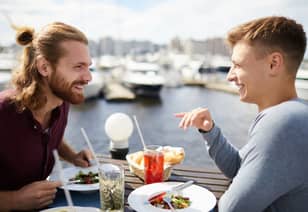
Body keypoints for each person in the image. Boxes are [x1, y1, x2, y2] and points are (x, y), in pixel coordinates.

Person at [175, 16, 308, 212]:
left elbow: (231, 209)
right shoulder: (295, 112)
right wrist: (209, 130)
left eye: (237, 65)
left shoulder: (283, 122)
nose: (229, 76)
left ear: (274, 63)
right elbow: (239, 168)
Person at [0, 22, 94, 211]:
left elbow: (50, 138)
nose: (88, 77)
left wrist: (73, 157)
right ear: (44, 67)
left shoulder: (61, 100)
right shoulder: (3, 114)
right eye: (78, 67)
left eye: (88, 67)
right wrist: (14, 201)